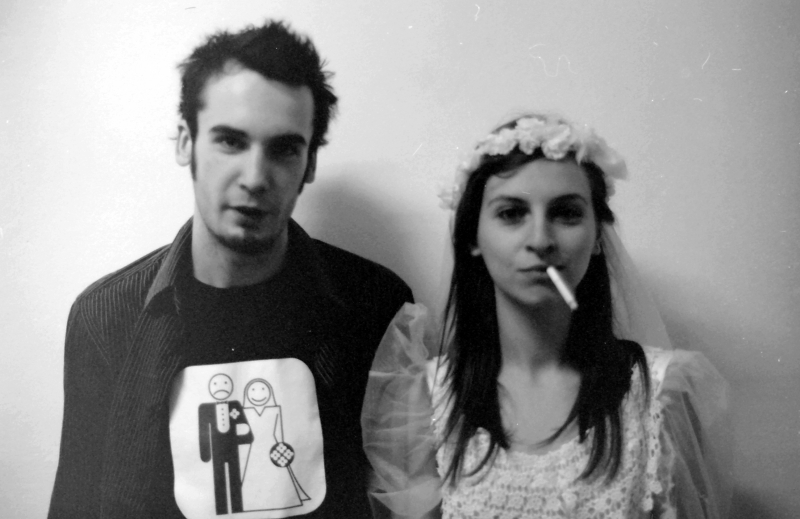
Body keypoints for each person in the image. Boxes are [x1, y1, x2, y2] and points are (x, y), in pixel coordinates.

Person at [49, 20, 412, 518]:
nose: (255, 177)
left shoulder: (376, 304)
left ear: (309, 164)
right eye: (230, 141)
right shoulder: (107, 317)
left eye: (284, 149)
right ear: (185, 143)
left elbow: (404, 501)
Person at [363, 113, 731, 518]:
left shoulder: (663, 392)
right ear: (473, 237)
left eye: (566, 213)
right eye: (511, 213)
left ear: (597, 235)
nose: (540, 240)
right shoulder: (425, 399)